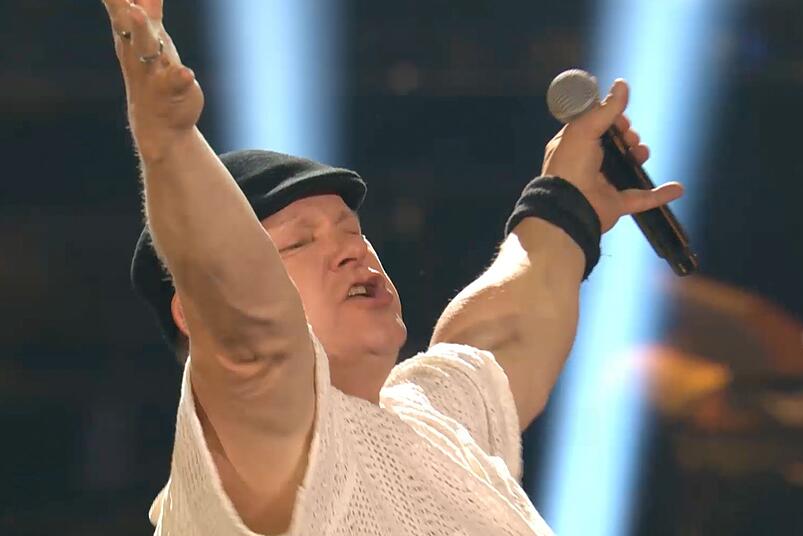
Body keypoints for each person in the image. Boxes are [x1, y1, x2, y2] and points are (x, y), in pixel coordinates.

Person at [101, 1, 684, 534]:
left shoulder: (429, 418)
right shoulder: (252, 457)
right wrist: (169, 144)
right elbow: (248, 331)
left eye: (352, 230)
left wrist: (567, 202)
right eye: (299, 242)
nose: (351, 250)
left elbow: (504, 333)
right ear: (193, 314)